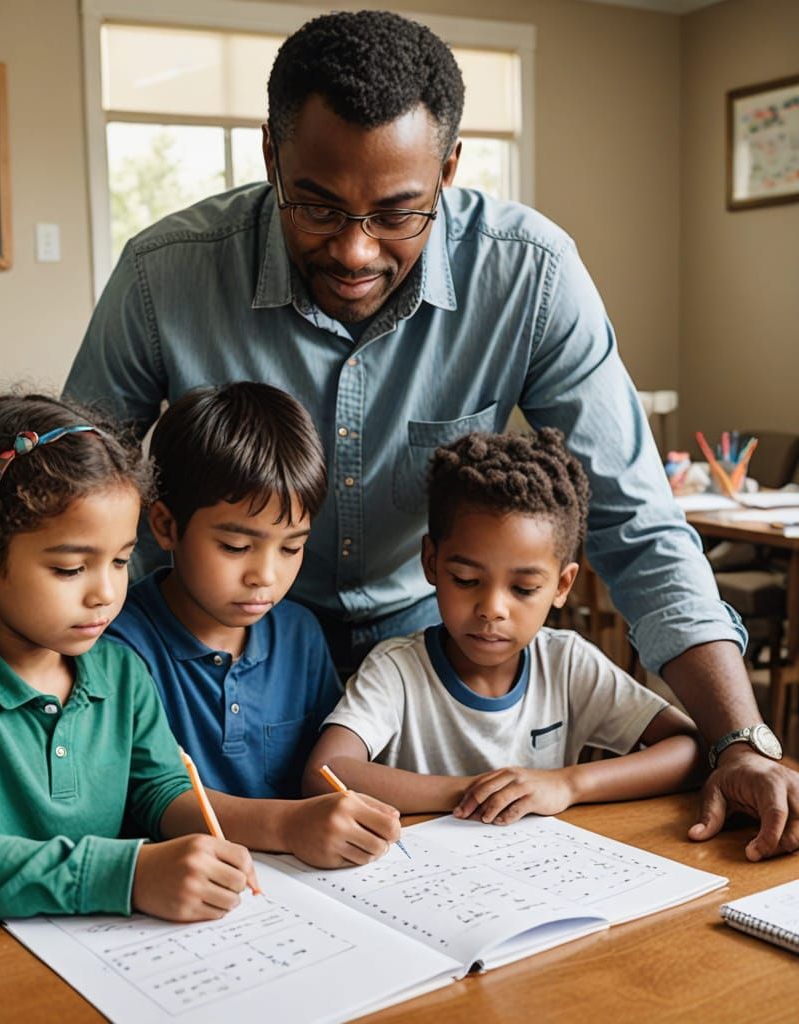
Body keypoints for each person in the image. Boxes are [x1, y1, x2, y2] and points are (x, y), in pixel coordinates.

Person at [66, 9, 798, 858]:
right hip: (204, 666)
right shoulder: (165, 275)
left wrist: (741, 740)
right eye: (317, 205)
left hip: (420, 671)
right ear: (271, 156)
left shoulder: (531, 274)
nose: (354, 250)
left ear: (449, 171)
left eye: (397, 213)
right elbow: (80, 498)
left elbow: (634, 522)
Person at [0, 391, 398, 1024]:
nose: (107, 593)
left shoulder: (118, 670)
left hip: (88, 958)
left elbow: (162, 793)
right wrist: (128, 873)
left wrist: (285, 827)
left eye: (120, 561)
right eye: (70, 568)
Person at [305, 429, 703, 820]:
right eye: (465, 580)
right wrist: (474, 792)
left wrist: (567, 784)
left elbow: (690, 748)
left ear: (562, 585)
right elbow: (326, 772)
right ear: (431, 563)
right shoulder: (397, 670)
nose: (492, 609)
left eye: (524, 588)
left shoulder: (566, 664)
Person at [109, 383, 342, 798]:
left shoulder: (300, 635)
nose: (265, 576)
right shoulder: (120, 646)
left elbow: (328, 776)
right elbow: (145, 799)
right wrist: (291, 825)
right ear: (165, 526)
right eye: (236, 547)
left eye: (292, 547)